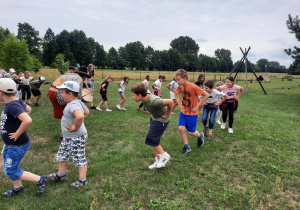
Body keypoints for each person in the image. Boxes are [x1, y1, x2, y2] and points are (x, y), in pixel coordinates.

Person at [0, 78, 47, 197]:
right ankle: (18, 188)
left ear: (1, 93)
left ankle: (40, 180)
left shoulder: (12, 106)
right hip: (11, 144)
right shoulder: (17, 101)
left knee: (10, 170)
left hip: (16, 145)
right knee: (10, 166)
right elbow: (28, 109)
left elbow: (27, 119)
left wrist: (17, 132)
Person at [48, 81, 89, 188]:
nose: (60, 94)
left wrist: (76, 126)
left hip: (76, 137)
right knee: (62, 155)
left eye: (62, 92)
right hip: (68, 137)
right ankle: (61, 175)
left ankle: (83, 180)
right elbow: (87, 112)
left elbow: (80, 116)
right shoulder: (77, 102)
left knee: (79, 157)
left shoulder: (73, 104)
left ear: (70, 94)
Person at [131, 83, 173, 169]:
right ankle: (158, 159)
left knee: (151, 138)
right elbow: (148, 91)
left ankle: (164, 156)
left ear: (139, 95)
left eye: (134, 95)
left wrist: (168, 113)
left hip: (161, 120)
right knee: (153, 139)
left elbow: (171, 102)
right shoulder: (145, 95)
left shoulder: (154, 102)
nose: (132, 97)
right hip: (154, 117)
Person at [174, 69, 209, 154]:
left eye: (178, 80)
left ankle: (200, 136)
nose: (177, 82)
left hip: (192, 113)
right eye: (176, 80)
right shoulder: (180, 86)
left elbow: (206, 95)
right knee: (181, 128)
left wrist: (197, 105)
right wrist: (178, 102)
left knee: (191, 132)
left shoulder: (193, 87)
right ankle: (187, 147)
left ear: (185, 78)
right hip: (183, 111)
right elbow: (175, 92)